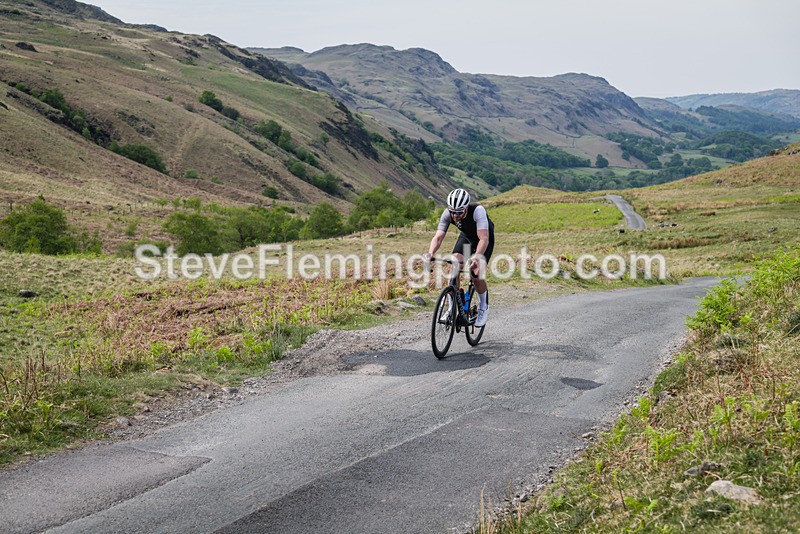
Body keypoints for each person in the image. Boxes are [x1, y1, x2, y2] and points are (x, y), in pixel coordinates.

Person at [424, 188, 494, 327]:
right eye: (453, 212)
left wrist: (476, 258)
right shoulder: (447, 213)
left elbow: (483, 239)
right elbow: (438, 238)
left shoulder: (478, 211)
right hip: (467, 238)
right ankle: (452, 308)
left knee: (476, 273)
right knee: (454, 264)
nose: (455, 215)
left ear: (466, 207)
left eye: (459, 212)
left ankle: (483, 307)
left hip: (484, 238)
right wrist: (430, 253)